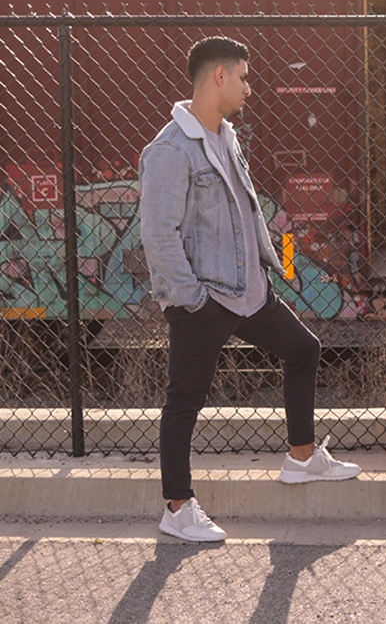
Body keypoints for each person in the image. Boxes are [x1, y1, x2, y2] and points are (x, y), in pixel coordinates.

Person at [139, 36, 361, 542]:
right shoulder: (170, 150)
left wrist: (266, 267)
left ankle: (301, 456)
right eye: (242, 76)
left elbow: (243, 210)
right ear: (218, 76)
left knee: (304, 349)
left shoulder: (226, 136)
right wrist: (192, 299)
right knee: (186, 399)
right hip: (205, 298)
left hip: (248, 289)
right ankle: (177, 507)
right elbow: (157, 234)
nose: (249, 87)